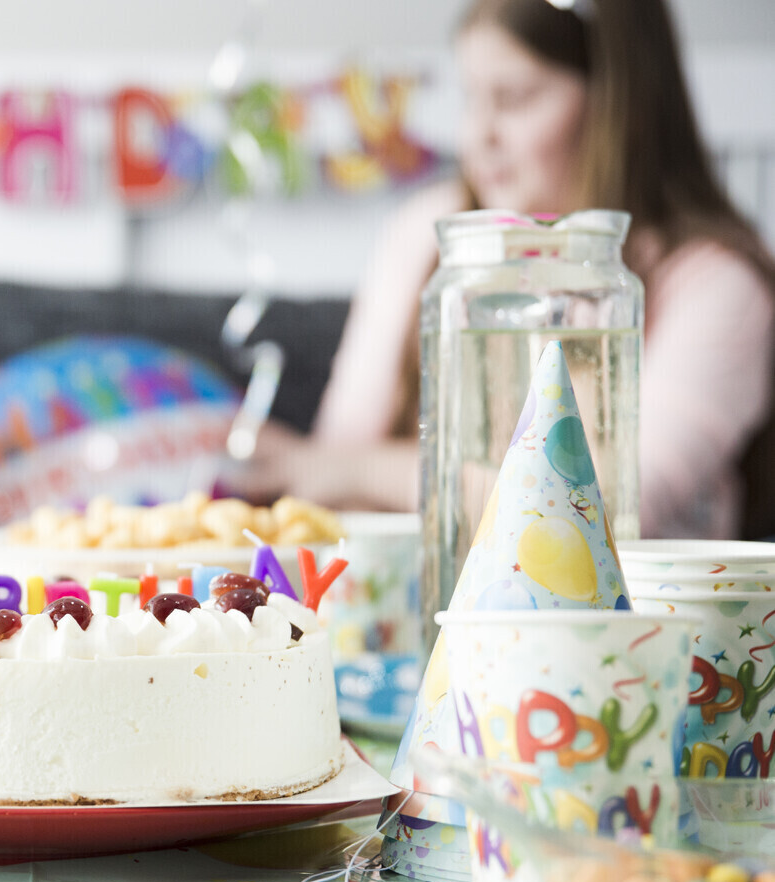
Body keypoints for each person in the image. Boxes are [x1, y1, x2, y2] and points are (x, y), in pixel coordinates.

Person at [242, 0, 775, 540]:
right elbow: (330, 478)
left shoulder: (717, 282)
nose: (478, 135)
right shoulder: (428, 232)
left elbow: (596, 509)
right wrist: (341, 470)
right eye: (471, 99)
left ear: (620, 103)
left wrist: (358, 469)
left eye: (515, 99)